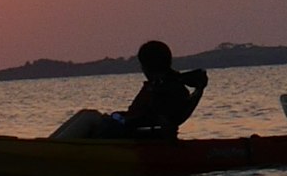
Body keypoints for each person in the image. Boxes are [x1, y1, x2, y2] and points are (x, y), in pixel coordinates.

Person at [52, 40, 208, 141]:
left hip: (129, 135)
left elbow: (157, 122)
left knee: (89, 116)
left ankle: (51, 149)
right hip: (126, 130)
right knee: (86, 113)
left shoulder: (167, 88)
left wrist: (119, 120)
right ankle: (48, 145)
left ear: (146, 65)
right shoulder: (165, 84)